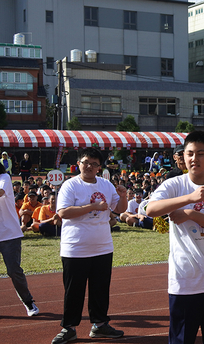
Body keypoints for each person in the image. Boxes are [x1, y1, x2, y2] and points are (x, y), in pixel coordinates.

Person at [146, 130, 204, 344]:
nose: (194, 159)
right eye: (189, 154)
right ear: (183, 156)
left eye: (201, 153)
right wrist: (189, 198)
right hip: (184, 280)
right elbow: (151, 209)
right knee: (181, 340)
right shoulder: (174, 185)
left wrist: (190, 213)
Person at [52, 147, 128, 344]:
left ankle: (100, 324)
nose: (89, 166)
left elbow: (119, 209)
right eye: (86, 162)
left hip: (102, 246)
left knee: (100, 289)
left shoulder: (106, 185)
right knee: (73, 290)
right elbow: (64, 213)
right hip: (75, 247)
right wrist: (93, 207)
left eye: (94, 164)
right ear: (78, 163)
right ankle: (69, 328)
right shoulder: (70, 185)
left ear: (99, 167)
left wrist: (123, 195)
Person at [0, 162, 39, 317]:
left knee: (14, 271)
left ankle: (28, 302)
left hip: (9, 234)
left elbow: (1, 192)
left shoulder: (4, 178)